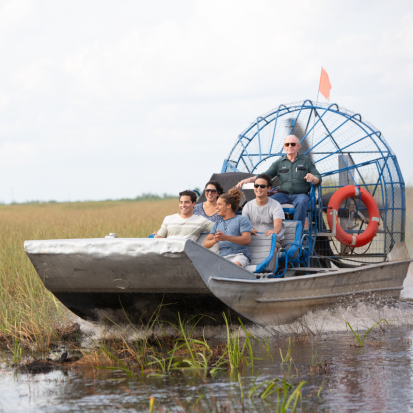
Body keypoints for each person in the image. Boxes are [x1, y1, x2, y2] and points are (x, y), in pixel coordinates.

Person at [236, 135, 322, 230]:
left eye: (293, 144)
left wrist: (313, 178)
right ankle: (264, 229)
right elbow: (265, 175)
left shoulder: (306, 161)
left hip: (301, 194)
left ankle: (296, 233)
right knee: (266, 202)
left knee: (301, 202)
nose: (290, 146)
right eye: (287, 144)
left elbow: (318, 177)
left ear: (298, 146)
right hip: (283, 194)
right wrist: (248, 180)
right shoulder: (279, 163)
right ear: (284, 147)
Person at [203, 187, 252, 268]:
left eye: (219, 204)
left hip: (239, 256)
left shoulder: (242, 219)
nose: (216, 207)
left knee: (233, 266)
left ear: (228, 205)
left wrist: (226, 237)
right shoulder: (217, 224)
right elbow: (205, 244)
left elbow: (247, 239)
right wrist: (215, 239)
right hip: (222, 257)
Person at [242, 174, 285, 252]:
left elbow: (278, 225)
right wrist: (249, 229)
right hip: (253, 239)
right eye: (256, 186)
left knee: (272, 250)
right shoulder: (247, 206)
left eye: (262, 186)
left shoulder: (276, 205)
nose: (259, 188)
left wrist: (273, 232)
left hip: (271, 238)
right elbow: (243, 225)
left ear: (269, 188)